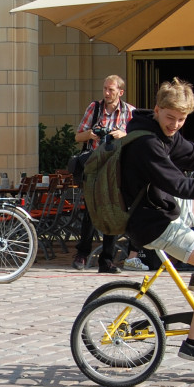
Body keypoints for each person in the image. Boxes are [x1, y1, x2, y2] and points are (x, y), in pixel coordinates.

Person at [122, 78, 194, 367]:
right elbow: (182, 186)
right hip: (152, 223)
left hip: (163, 208)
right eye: (170, 117)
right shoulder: (148, 143)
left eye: (182, 119)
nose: (175, 124)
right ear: (157, 109)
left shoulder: (164, 135)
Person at [72, 75, 136, 274]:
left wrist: (122, 134)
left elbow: (137, 139)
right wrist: (92, 133)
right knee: (91, 211)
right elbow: (77, 135)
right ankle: (82, 254)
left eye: (111, 90)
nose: (107, 93)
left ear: (120, 92)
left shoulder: (130, 111)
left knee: (113, 211)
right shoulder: (94, 108)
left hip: (116, 168)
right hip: (95, 166)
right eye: (105, 89)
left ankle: (106, 261)